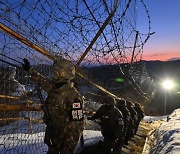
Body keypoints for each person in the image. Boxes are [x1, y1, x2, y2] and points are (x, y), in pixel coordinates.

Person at [22, 57, 84, 154]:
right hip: (53, 138)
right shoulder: (56, 88)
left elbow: (77, 127)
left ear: (64, 74)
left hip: (64, 142)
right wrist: (30, 70)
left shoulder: (74, 97)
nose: (54, 74)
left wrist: (66, 150)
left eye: (56, 72)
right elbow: (42, 80)